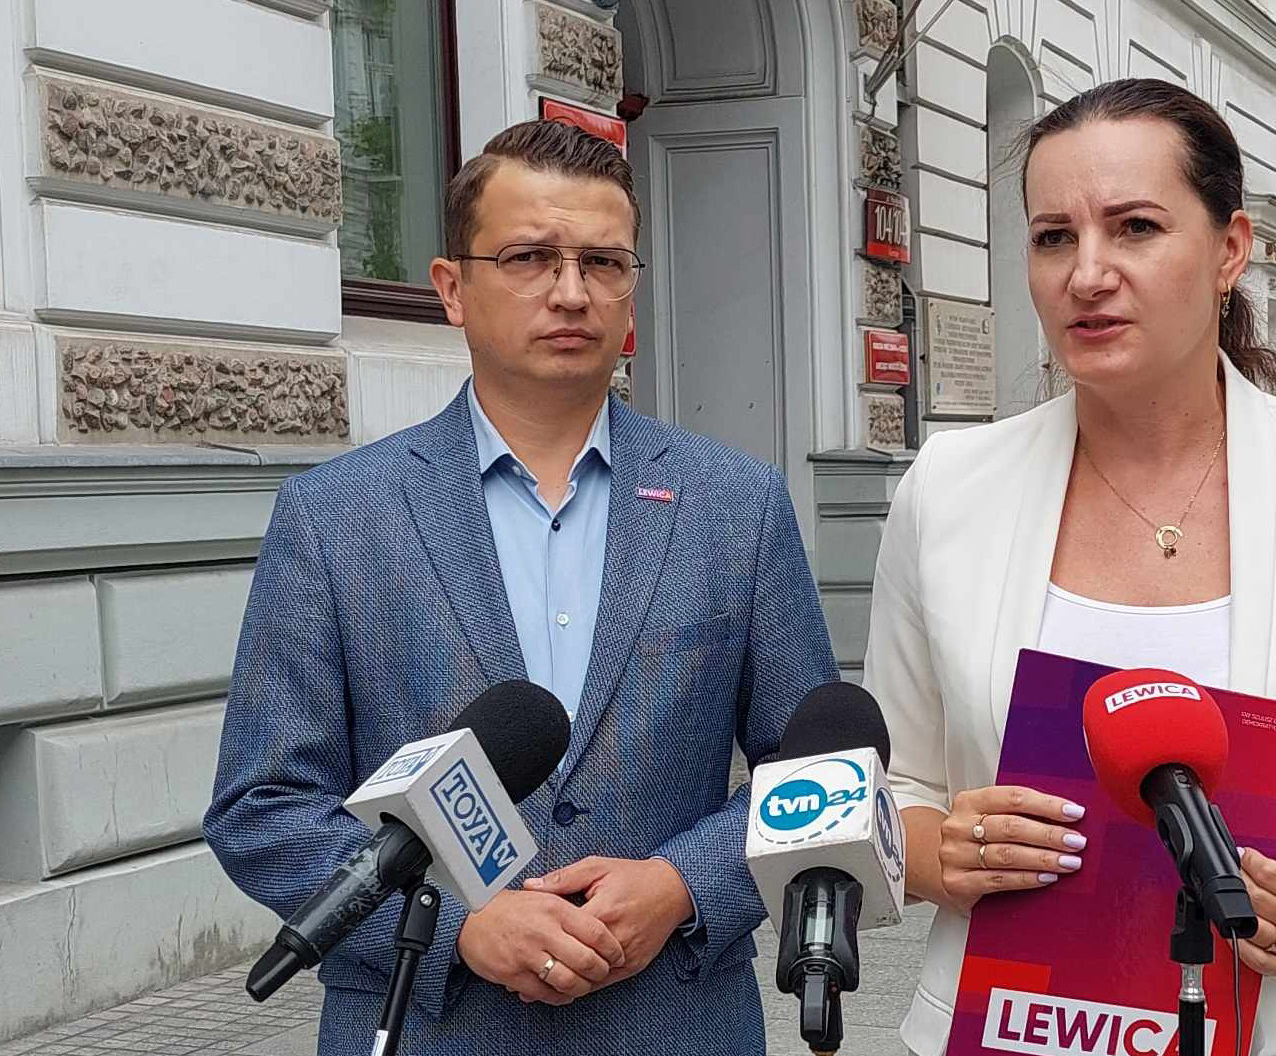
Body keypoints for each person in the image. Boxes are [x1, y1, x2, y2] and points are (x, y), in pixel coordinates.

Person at [865, 79, 1276, 1056]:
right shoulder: (949, 488)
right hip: (1018, 1025)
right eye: (1053, 237)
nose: (1087, 273)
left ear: (1229, 250)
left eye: (1134, 227)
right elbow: (890, 787)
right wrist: (939, 851)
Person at [204, 122, 836, 1056]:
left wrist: (680, 886)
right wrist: (457, 927)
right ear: (451, 288)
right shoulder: (335, 516)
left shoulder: (736, 505)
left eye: (603, 262)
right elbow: (263, 805)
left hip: (671, 1021)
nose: (571, 291)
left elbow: (817, 772)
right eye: (529, 257)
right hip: (431, 1026)